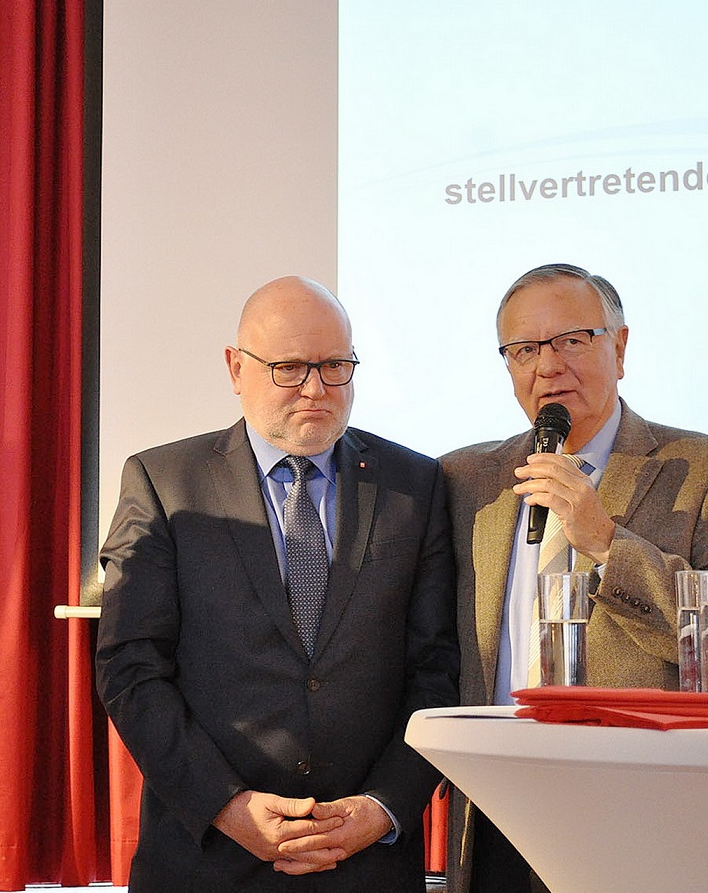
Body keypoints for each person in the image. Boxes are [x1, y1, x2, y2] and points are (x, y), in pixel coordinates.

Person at [95, 275, 460, 891]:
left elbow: (437, 668)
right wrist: (225, 805)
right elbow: (131, 668)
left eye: (335, 366)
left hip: (366, 860)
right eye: (289, 368)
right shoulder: (163, 482)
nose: (316, 390)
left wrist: (384, 807)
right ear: (236, 368)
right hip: (208, 855)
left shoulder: (413, 486)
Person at [440, 263, 708, 893]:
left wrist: (608, 541)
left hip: (644, 809)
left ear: (620, 347)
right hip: (498, 809)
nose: (548, 366)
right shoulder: (464, 482)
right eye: (524, 350)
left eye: (572, 341)